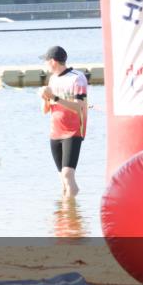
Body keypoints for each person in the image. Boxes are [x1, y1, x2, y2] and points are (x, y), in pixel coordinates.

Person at [38, 45, 88, 198]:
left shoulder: (77, 78)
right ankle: (64, 216)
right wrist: (45, 98)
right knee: (62, 179)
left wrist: (55, 98)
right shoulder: (52, 79)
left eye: (45, 61)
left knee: (67, 174)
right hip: (55, 132)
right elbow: (45, 111)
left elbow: (79, 107)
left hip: (73, 131)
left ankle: (71, 213)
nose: (45, 64)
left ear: (53, 61)